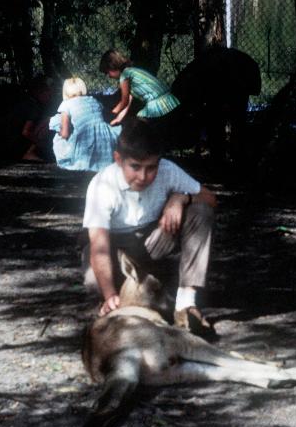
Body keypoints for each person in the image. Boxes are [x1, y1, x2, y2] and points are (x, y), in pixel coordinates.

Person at [82, 121, 216, 334]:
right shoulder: (102, 185)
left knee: (200, 211)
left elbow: (210, 199)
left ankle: (186, 303)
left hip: (154, 240)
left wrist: (181, 198)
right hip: (117, 249)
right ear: (118, 159)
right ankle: (122, 298)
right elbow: (99, 246)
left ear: (159, 162)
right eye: (135, 167)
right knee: (93, 279)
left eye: (151, 167)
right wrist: (109, 295)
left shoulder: (167, 171)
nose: (143, 177)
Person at [51, 76, 118, 173]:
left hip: (87, 138)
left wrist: (60, 133)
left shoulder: (66, 104)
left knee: (57, 136)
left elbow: (65, 133)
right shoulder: (93, 100)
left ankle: (70, 163)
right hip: (106, 137)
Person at [98, 49, 180, 128]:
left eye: (107, 72)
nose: (108, 76)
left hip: (158, 104)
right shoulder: (132, 71)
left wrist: (111, 114)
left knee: (138, 123)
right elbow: (128, 103)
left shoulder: (124, 76)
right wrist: (118, 118)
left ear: (113, 66)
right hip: (170, 100)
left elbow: (124, 101)